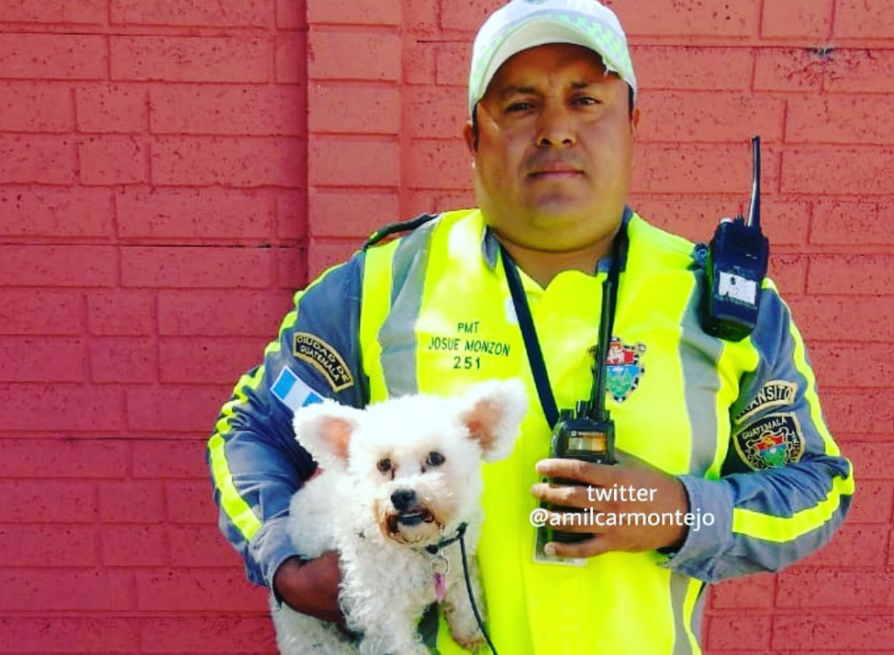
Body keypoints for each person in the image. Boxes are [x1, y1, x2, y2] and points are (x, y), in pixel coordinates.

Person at [206, 0, 855, 653]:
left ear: (632, 125)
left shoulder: (720, 306)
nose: (555, 130)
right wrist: (287, 564)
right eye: (520, 105)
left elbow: (815, 489)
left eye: (585, 100)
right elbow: (255, 426)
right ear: (473, 139)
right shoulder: (378, 286)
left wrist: (676, 513)